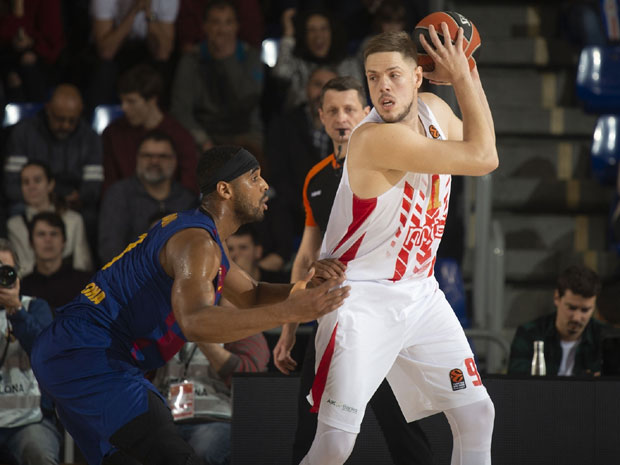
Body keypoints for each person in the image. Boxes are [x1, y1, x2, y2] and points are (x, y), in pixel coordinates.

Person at [30, 145, 350, 465]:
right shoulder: (196, 243)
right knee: (174, 454)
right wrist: (291, 311)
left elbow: (251, 294)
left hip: (76, 352)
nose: (265, 185)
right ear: (225, 190)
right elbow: (194, 322)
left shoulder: (201, 235)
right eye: (254, 178)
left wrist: (302, 289)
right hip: (87, 351)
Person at [297, 27, 498, 465]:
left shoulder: (434, 111)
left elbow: (483, 139)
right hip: (359, 299)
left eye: (393, 75)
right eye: (373, 78)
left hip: (419, 293)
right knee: (335, 444)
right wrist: (463, 76)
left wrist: (468, 74)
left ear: (418, 77)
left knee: (477, 415)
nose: (383, 87)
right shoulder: (374, 139)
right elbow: (483, 158)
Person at [273, 75, 433, 465]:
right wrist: (288, 329)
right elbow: (306, 257)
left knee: (402, 426)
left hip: (383, 312)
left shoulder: (390, 162)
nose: (341, 118)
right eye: (332, 111)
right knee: (309, 425)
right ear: (321, 117)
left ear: (365, 113)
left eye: (349, 109)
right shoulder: (316, 178)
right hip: (331, 314)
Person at [2, 83, 103, 245]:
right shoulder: (24, 132)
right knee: (15, 211)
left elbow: (93, 187)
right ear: (48, 109)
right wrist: (43, 201)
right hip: (30, 201)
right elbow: (11, 185)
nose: (66, 125)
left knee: (91, 217)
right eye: (60, 119)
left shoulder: (90, 138)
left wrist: (78, 197)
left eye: (72, 120)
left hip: (72, 204)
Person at [170, 0, 264, 163]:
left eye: (228, 22)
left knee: (248, 163)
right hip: (204, 133)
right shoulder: (191, 60)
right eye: (215, 23)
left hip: (244, 132)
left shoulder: (250, 56)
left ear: (236, 26)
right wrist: (203, 141)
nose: (222, 30)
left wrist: (227, 59)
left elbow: (247, 101)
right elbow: (181, 110)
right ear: (205, 27)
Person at [0, 238, 61, 465]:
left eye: (5, 270)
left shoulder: (34, 307)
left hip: (30, 420)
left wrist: (16, 310)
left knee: (40, 454)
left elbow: (46, 352)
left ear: (17, 275)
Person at [98, 130, 197, 264]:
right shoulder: (119, 194)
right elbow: (110, 250)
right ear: (137, 158)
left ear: (174, 160)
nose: (154, 161)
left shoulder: (187, 199)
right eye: (147, 155)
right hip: (129, 273)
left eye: (163, 156)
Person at [102, 63, 199, 195]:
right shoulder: (113, 133)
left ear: (152, 100)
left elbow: (188, 187)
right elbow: (109, 183)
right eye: (122, 101)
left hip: (169, 205)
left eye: (131, 101)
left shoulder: (180, 136)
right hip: (124, 203)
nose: (124, 108)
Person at [508, 264, 605, 376]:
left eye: (585, 310)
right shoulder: (529, 334)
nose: (577, 317)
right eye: (571, 308)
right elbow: (516, 379)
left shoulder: (606, 339)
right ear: (557, 298)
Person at [87, 0, 179, 109]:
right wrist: (134, 11)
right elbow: (106, 52)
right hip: (116, 52)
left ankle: (157, 117)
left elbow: (163, 53)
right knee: (105, 69)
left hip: (145, 51)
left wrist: (149, 14)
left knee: (163, 68)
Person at [7, 161, 93, 276]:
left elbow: (82, 264)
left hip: (71, 282)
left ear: (50, 184)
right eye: (26, 182)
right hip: (30, 284)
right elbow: (20, 268)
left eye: (37, 180)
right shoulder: (14, 225)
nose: (31, 187)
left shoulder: (74, 220)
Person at [271, 8, 364, 111]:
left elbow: (358, 102)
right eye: (311, 30)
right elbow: (280, 73)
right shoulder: (297, 64)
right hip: (303, 119)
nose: (318, 35)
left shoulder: (348, 64)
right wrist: (288, 34)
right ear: (304, 35)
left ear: (333, 32)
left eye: (323, 29)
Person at [20, 212, 92, 310]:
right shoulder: (22, 288)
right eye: (41, 234)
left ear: (64, 241)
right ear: (31, 242)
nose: (48, 240)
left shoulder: (85, 284)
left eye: (54, 234)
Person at [0, 0, 65, 102]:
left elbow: (53, 42)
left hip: (41, 59)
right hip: (7, 56)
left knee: (27, 66)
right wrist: (17, 11)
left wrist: (32, 42)